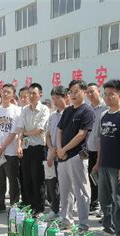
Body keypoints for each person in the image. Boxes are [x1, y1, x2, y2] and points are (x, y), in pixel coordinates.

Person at [92, 79, 120, 236]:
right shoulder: (103, 114)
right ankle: (108, 230)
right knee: (104, 199)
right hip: (104, 165)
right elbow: (101, 141)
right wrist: (98, 163)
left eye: (112, 94)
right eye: (105, 94)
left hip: (118, 165)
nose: (107, 98)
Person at [57, 80, 95, 232]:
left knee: (81, 191)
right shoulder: (67, 111)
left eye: (76, 91)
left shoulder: (87, 111)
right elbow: (59, 130)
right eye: (71, 92)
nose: (73, 95)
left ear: (84, 93)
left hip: (77, 156)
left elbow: (81, 135)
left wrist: (64, 149)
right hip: (62, 156)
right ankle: (66, 220)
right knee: (65, 190)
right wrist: (59, 149)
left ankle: (83, 224)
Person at [13, 83, 49, 214]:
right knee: (26, 178)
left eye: (34, 93)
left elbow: (39, 130)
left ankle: (38, 208)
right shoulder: (24, 110)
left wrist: (25, 133)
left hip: (39, 148)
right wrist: (18, 145)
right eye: (30, 93)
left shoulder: (44, 109)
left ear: (40, 95)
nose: (31, 96)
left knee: (37, 179)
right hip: (26, 148)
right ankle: (28, 205)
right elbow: (20, 128)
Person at [0, 84, 21, 214]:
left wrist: (3, 146)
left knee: (13, 180)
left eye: (8, 92)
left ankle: (14, 205)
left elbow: (14, 132)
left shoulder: (16, 111)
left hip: (10, 152)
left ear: (13, 95)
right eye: (4, 92)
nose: (5, 94)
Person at [45, 86, 69, 220]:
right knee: (52, 183)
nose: (55, 102)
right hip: (52, 152)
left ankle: (65, 212)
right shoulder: (53, 116)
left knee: (65, 186)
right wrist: (51, 148)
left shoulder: (70, 113)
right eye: (53, 99)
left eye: (57, 98)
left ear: (65, 97)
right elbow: (48, 135)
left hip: (64, 154)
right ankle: (54, 209)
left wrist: (58, 150)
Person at [86, 83, 108, 215]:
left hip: (103, 148)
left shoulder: (105, 107)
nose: (89, 95)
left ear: (98, 91)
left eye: (92, 92)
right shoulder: (88, 109)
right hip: (90, 148)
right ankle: (94, 202)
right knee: (92, 177)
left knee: (103, 179)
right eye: (87, 92)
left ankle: (103, 205)